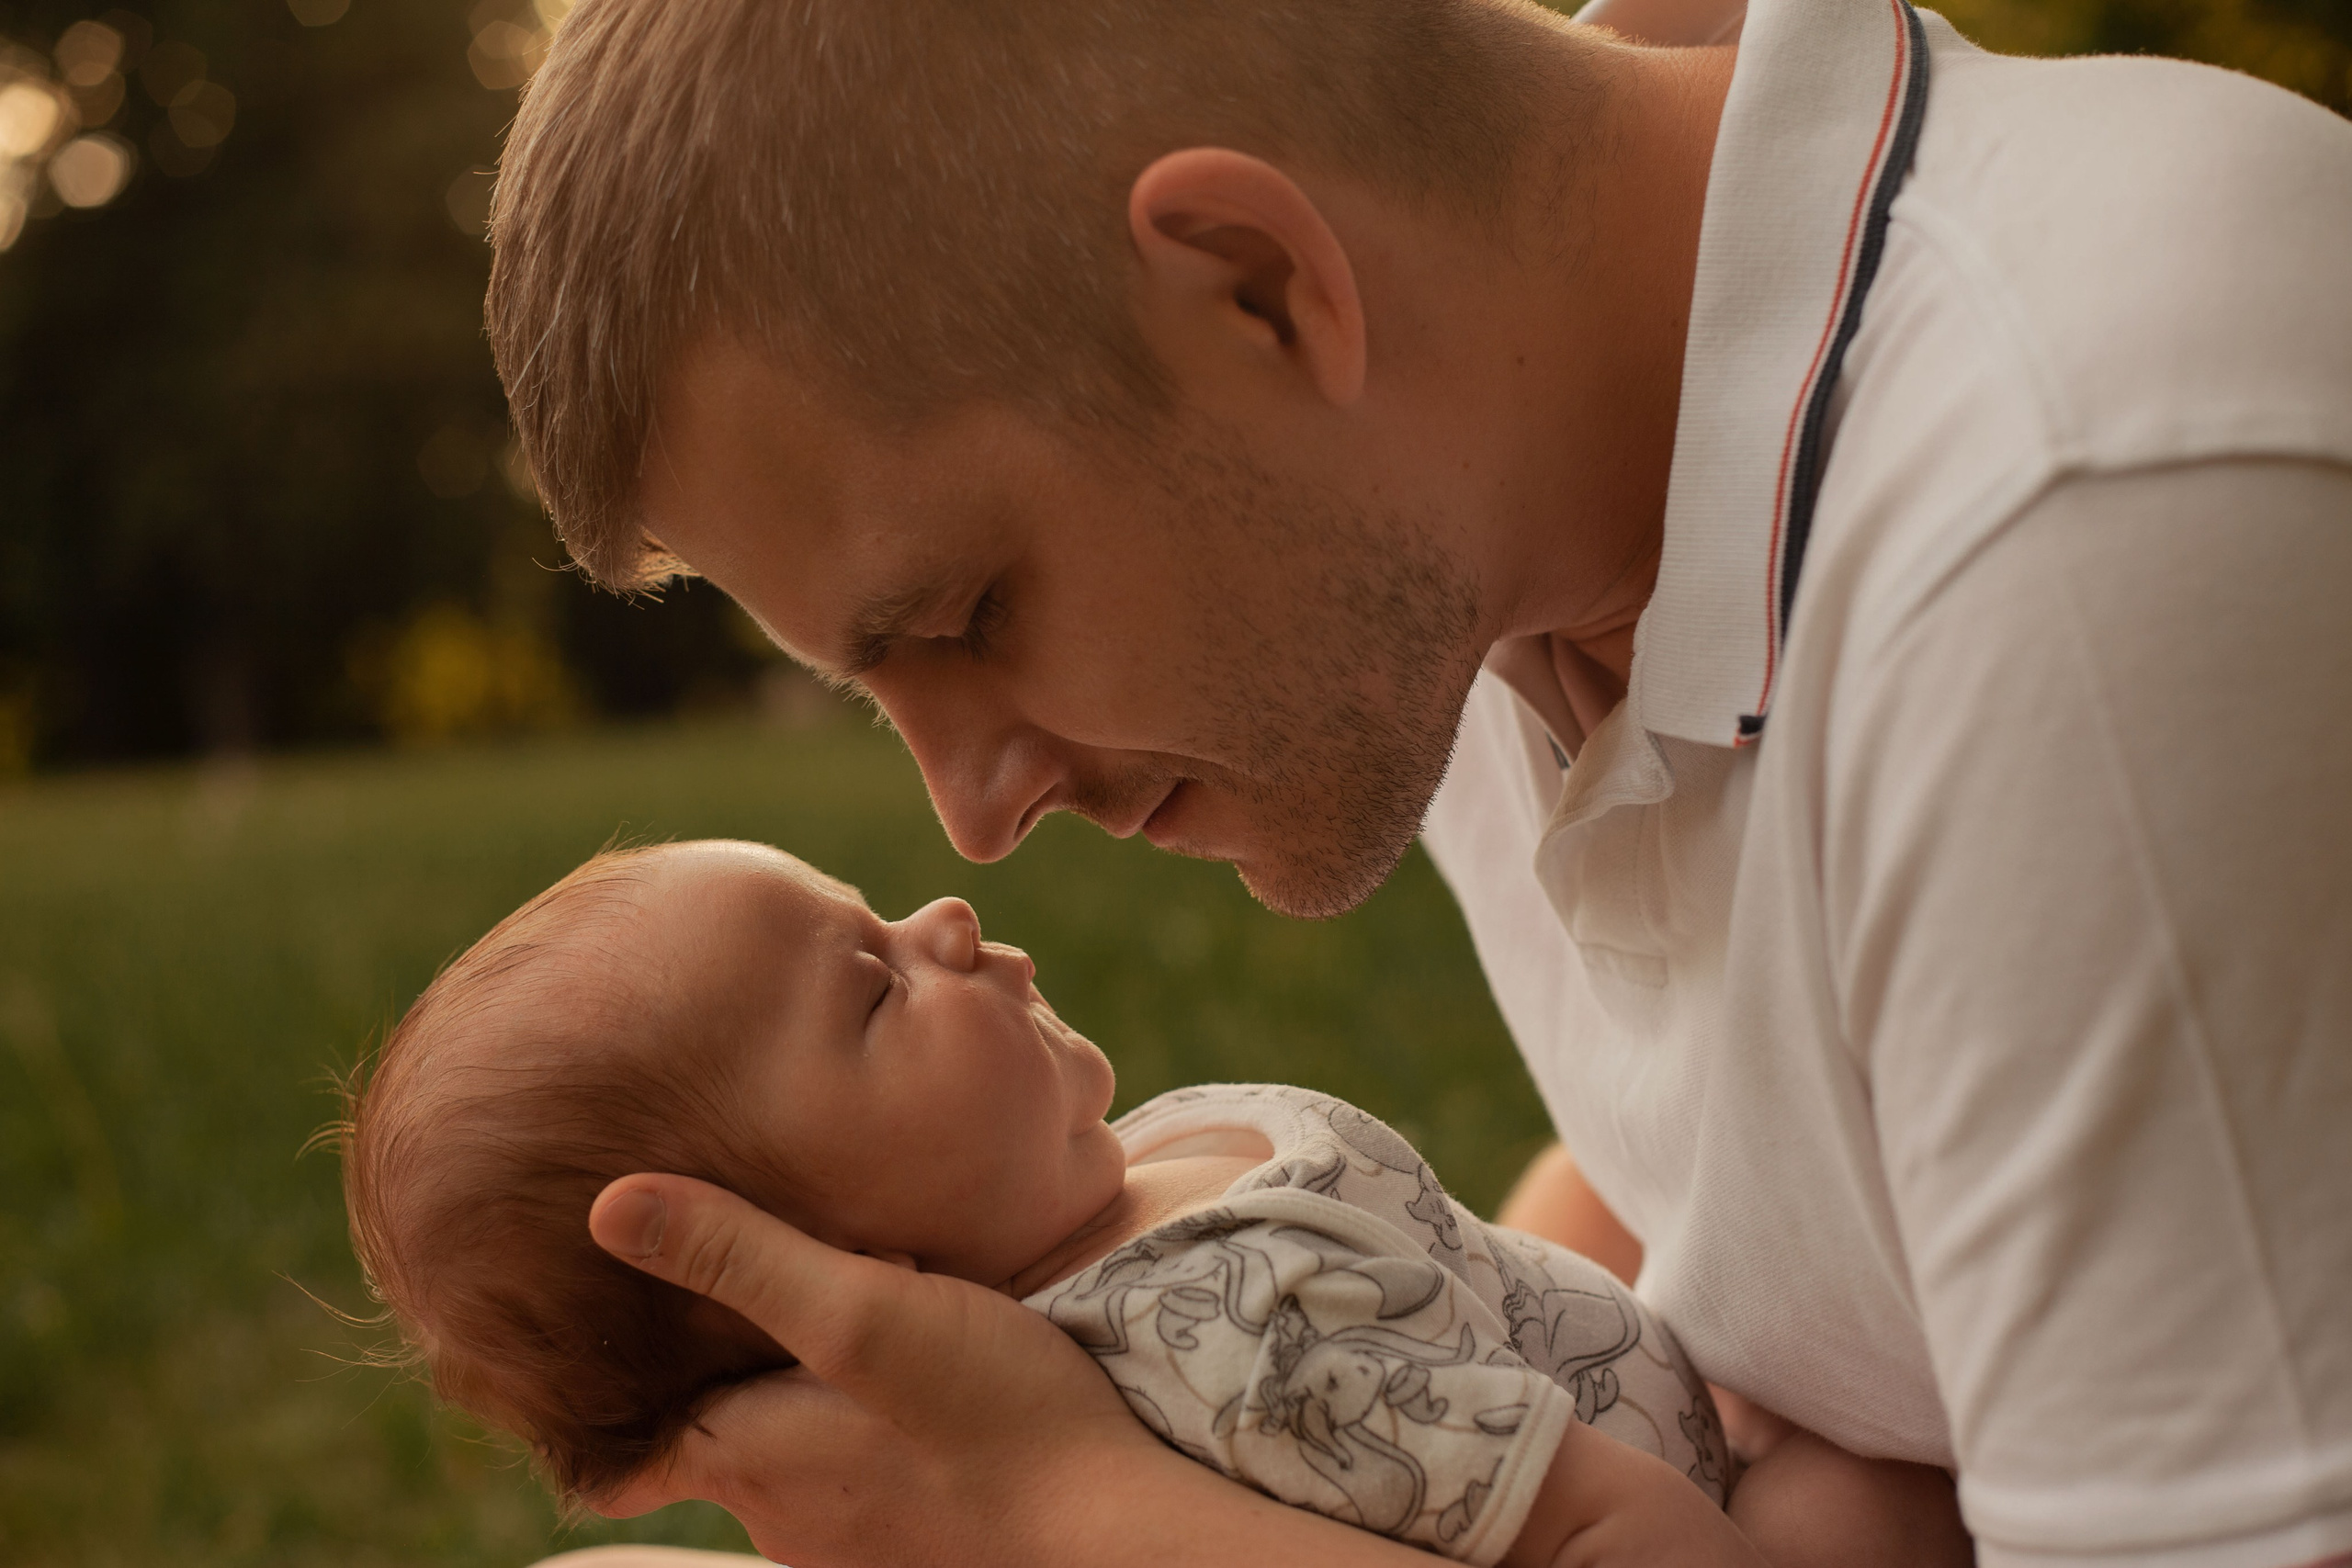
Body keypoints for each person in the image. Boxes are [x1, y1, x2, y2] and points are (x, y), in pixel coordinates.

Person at [481, 0, 2352, 1562]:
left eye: (972, 609)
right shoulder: (1453, 539)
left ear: (1259, 289)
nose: (968, 813)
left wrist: (1081, 1506)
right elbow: (1687, 1200)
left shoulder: (2076, 537)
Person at [360, 840, 1958, 1564]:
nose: (945, 916)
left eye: (874, 907)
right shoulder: (1225, 1344)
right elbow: (1580, 1522)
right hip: (1699, 1511)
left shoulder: (1135, 1184)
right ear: (842, 1267)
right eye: (868, 990)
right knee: (1871, 1474)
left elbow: (1450, 1283)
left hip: (1622, 1389)